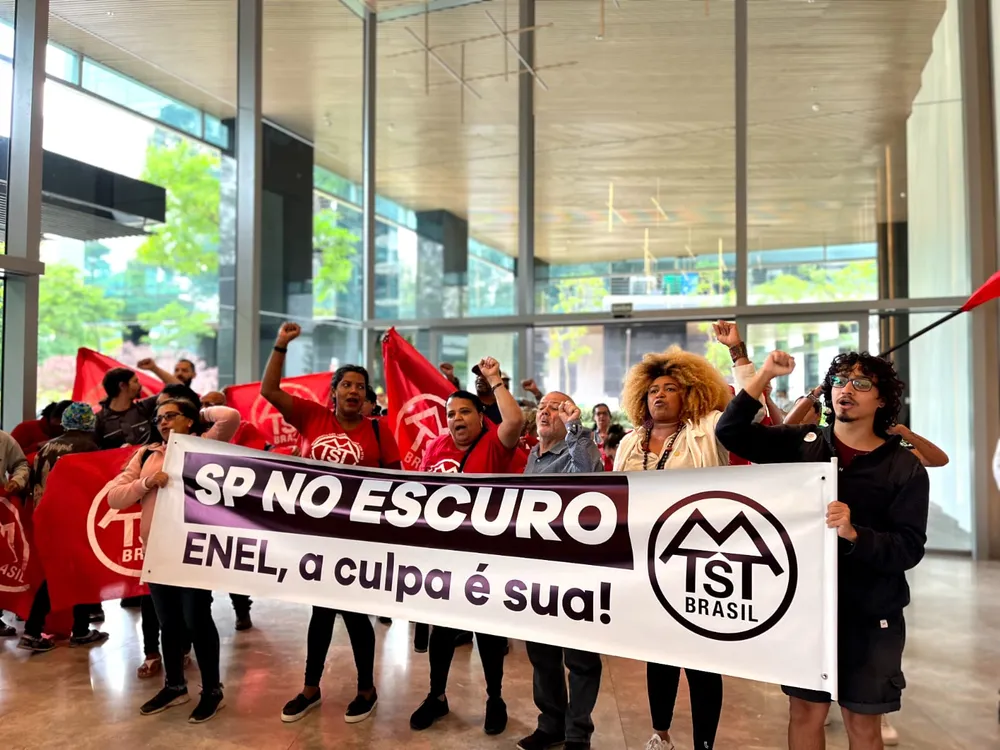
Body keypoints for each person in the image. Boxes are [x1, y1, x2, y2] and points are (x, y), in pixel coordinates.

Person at [716, 350, 929, 750]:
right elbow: (731, 431)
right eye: (840, 381)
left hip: (871, 616)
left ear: (882, 399)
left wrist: (855, 534)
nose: (846, 389)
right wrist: (764, 374)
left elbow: (909, 547)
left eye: (861, 383)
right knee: (804, 714)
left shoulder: (903, 466)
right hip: (807, 610)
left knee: (862, 724)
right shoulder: (802, 443)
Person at [614, 321, 755, 750]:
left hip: (700, 562)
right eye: (653, 389)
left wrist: (738, 354)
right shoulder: (629, 442)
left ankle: (704, 745)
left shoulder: (710, 428)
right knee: (659, 655)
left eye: (670, 388)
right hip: (647, 565)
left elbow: (750, 411)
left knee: (702, 662)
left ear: (691, 393)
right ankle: (660, 734)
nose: (659, 395)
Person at [262, 322, 400, 726]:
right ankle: (310, 688)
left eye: (361, 386)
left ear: (367, 395)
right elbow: (269, 392)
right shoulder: (311, 417)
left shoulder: (380, 430)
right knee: (321, 612)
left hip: (360, 539)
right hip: (317, 536)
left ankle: (366, 689)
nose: (354, 391)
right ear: (334, 391)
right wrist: (280, 345)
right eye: (346, 385)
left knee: (355, 614)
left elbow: (399, 486)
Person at [409, 356, 524, 736]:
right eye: (450, 413)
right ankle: (437, 696)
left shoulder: (494, 443)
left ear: (480, 417)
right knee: (442, 632)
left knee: (487, 633)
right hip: (444, 559)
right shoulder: (435, 446)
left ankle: (495, 698)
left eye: (464, 412)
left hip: (487, 559)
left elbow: (514, 422)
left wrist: (494, 379)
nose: (456, 418)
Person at [105, 398, 240, 723]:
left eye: (171, 416)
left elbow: (230, 416)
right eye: (159, 418)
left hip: (194, 551)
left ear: (189, 420)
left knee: (197, 619)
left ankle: (212, 691)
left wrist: (199, 411)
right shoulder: (147, 454)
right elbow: (113, 496)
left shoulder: (205, 445)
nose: (163, 422)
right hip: (158, 551)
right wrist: (146, 483)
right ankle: (175, 685)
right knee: (169, 624)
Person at [517, 391, 604, 750]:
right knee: (542, 654)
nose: (545, 412)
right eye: (542, 407)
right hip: (537, 572)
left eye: (555, 408)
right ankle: (551, 723)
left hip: (574, 571)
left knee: (579, 658)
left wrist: (575, 429)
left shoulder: (578, 448)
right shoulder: (533, 457)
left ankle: (577, 734)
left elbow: (587, 481)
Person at [18, 403, 109, 652]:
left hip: (46, 517)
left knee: (64, 573)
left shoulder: (46, 447)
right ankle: (39, 630)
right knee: (75, 574)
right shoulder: (87, 447)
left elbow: (33, 484)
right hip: (74, 518)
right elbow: (94, 484)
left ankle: (74, 629)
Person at [0, 428, 33, 638]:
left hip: (0, 509)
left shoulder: (3, 439)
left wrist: (17, 480)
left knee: (2, 562)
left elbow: (21, 464)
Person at [96, 367, 178, 449]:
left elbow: (179, 388)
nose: (140, 385)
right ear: (122, 385)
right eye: (135, 381)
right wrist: (119, 452)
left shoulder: (145, 407)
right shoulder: (98, 421)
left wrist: (154, 368)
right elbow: (94, 453)